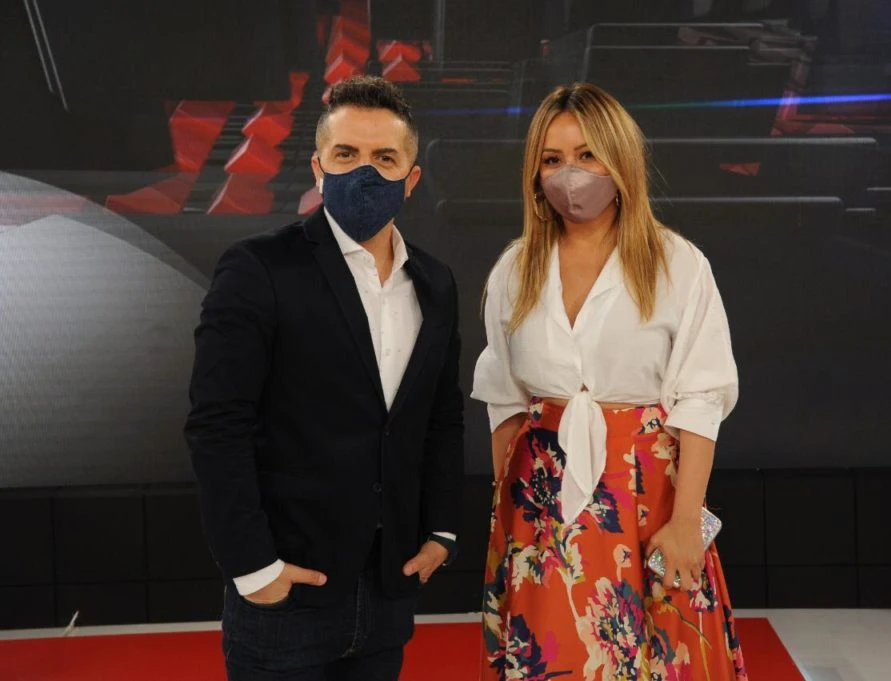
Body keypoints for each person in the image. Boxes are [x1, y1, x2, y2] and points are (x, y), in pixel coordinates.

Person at [185, 76, 464, 681]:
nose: (364, 171)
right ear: (318, 168)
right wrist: (252, 567)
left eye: (384, 158)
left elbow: (441, 417)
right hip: (285, 595)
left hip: (389, 591)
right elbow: (217, 425)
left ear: (411, 178)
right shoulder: (258, 267)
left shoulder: (436, 283)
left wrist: (441, 529)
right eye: (346, 154)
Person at [472, 83, 747, 680]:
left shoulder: (677, 263)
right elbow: (504, 399)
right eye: (553, 159)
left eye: (587, 154)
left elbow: (702, 398)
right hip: (540, 507)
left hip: (652, 496)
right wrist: (508, 515)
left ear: (620, 160)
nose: (570, 173)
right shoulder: (515, 269)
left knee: (659, 658)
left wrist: (686, 522)